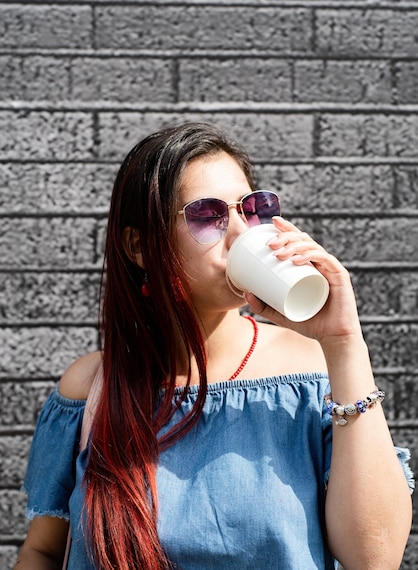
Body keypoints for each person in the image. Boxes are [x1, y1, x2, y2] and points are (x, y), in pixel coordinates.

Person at [15, 122, 413, 570]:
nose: (242, 232)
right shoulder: (93, 388)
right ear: (139, 245)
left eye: (253, 208)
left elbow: (374, 558)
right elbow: (45, 550)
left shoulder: (314, 372)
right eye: (208, 215)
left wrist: (344, 344)